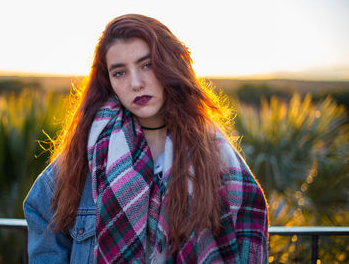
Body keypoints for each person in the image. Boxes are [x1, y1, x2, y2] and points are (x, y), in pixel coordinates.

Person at [23, 14, 268, 263]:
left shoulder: (212, 150)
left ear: (169, 65)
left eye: (147, 65)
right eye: (119, 73)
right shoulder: (90, 151)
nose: (136, 83)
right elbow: (40, 212)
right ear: (108, 81)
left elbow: (249, 225)